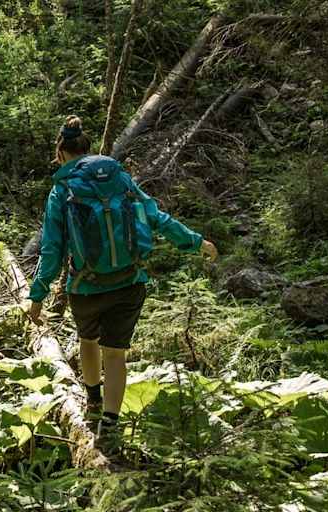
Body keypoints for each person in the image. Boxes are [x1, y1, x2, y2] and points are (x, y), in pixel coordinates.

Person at [26, 115, 217, 448]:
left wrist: (37, 294)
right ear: (88, 148)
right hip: (130, 283)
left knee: (88, 340)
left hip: (85, 287)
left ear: (60, 153)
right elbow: (156, 218)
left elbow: (52, 248)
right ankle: (110, 428)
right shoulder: (121, 179)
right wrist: (196, 241)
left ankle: (93, 400)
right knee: (115, 354)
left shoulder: (62, 190)